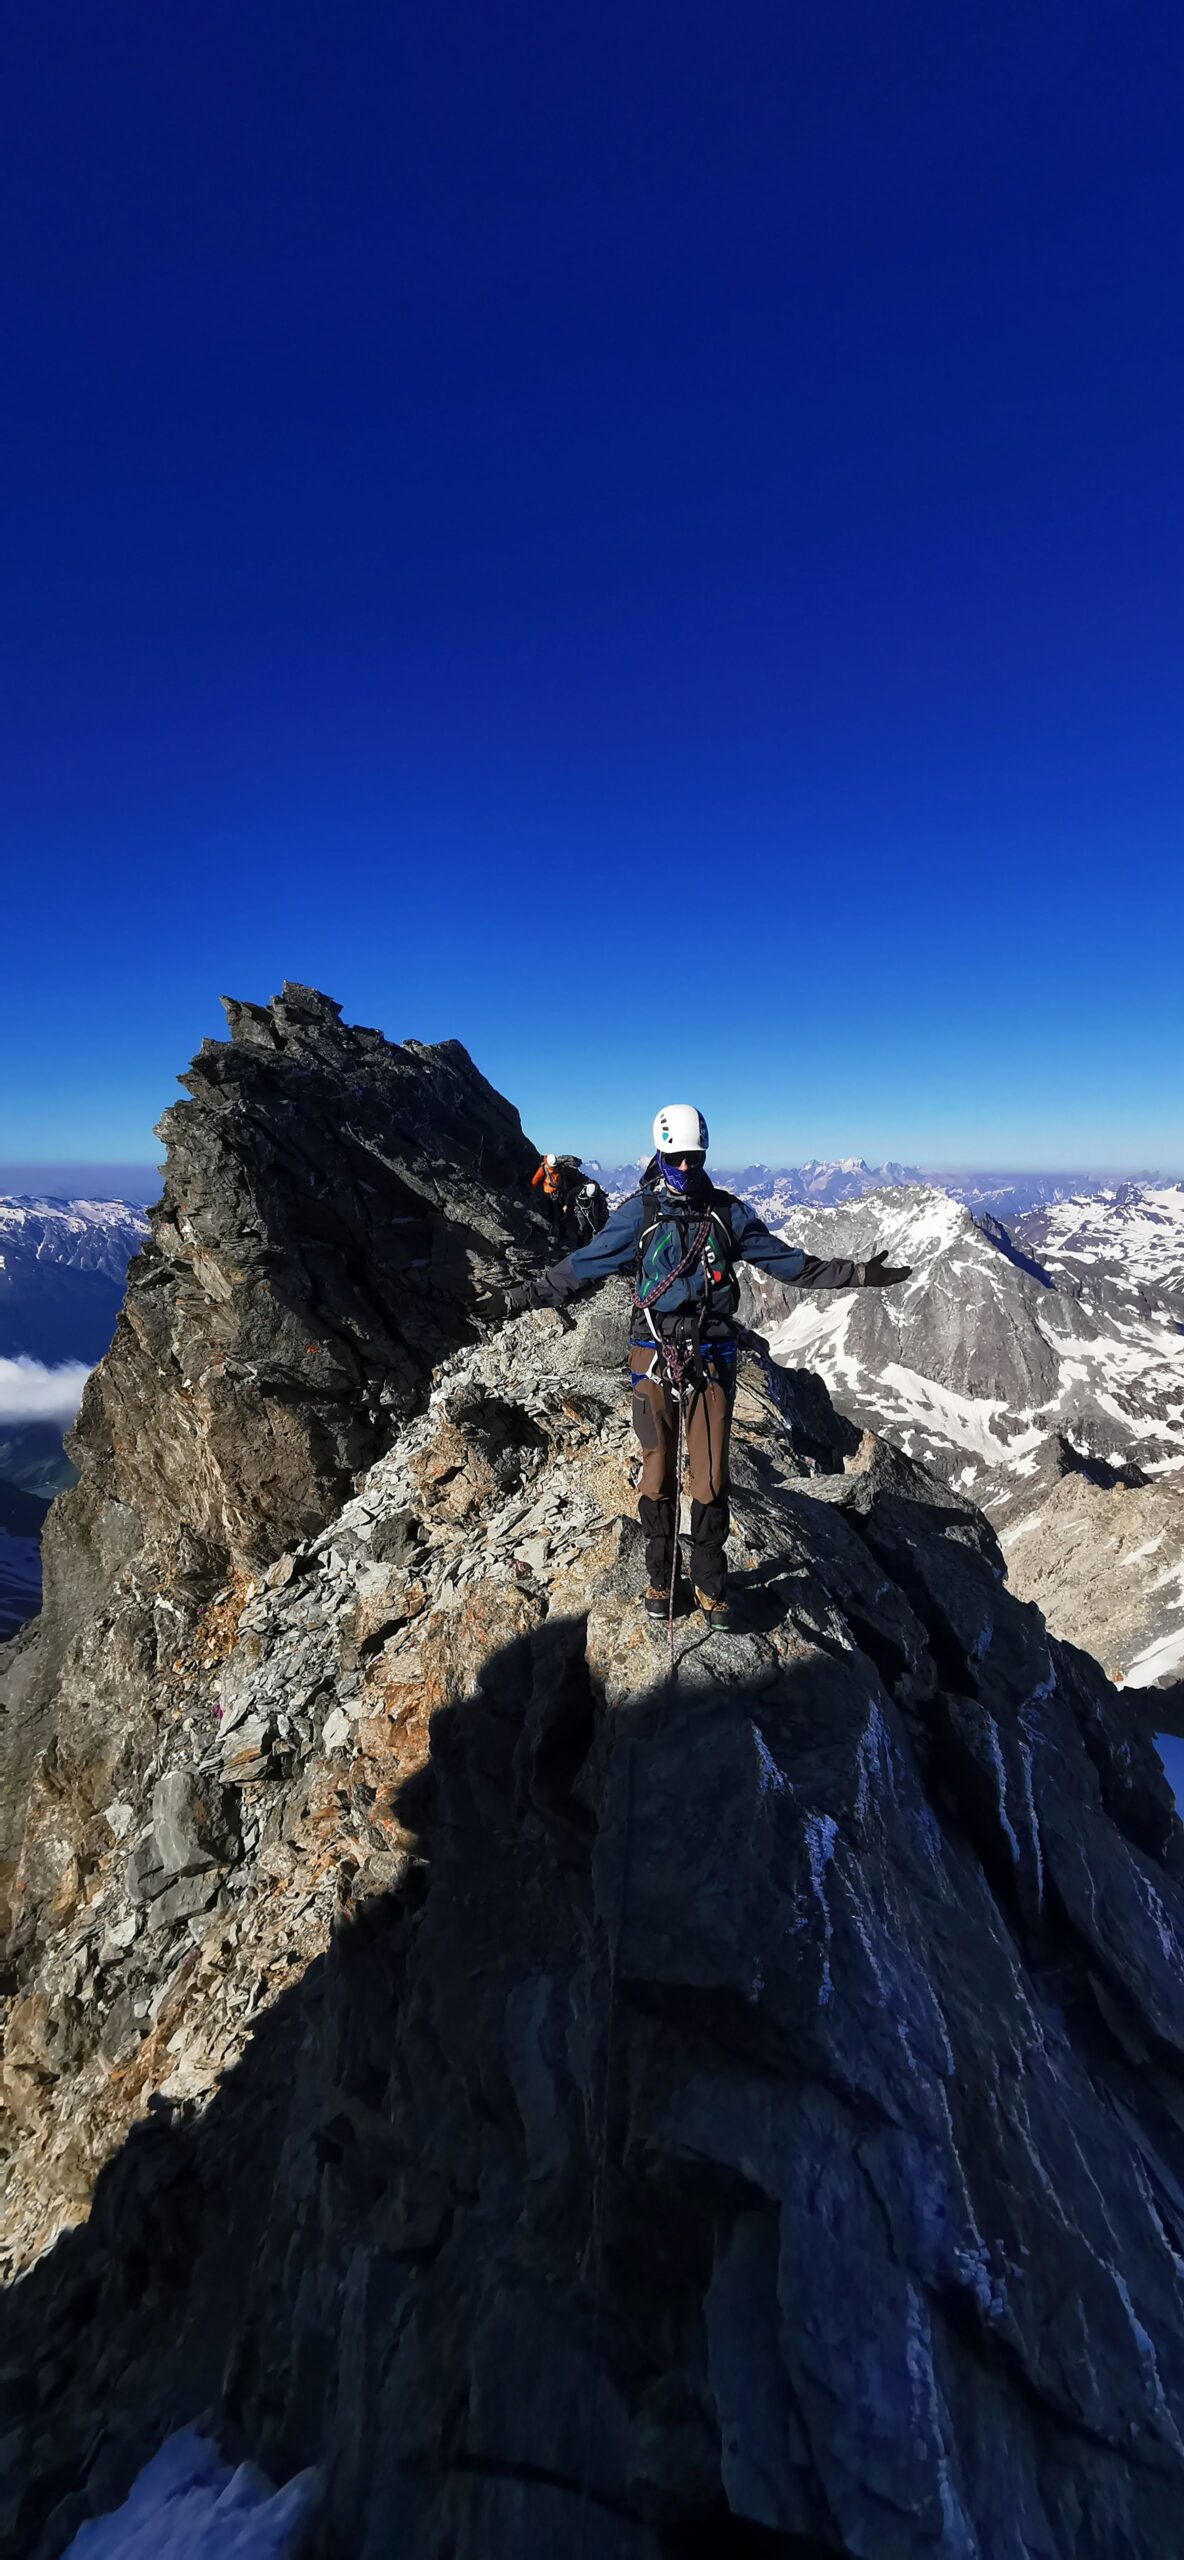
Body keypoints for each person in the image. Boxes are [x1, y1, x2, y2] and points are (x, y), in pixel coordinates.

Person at [493, 1104, 911, 1631]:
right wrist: (520, 1298)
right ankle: (661, 1583)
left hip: (711, 1355)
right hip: (653, 1353)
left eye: (693, 1157)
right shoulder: (640, 1214)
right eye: (676, 1158)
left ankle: (710, 1585)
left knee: (711, 1477)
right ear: (661, 1154)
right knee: (658, 1468)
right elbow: (582, 1267)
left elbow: (789, 1264)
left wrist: (859, 1274)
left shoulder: (728, 1214)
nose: (686, 1167)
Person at [531, 1153, 608, 1247]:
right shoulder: (543, 1169)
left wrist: (565, 1203)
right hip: (549, 1195)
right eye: (553, 1166)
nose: (554, 1168)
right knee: (552, 1214)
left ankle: (562, 1233)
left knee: (561, 1215)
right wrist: (532, 1189)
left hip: (559, 1193)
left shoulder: (559, 1168)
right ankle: (553, 1233)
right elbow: (536, 1179)